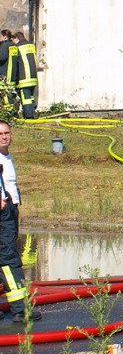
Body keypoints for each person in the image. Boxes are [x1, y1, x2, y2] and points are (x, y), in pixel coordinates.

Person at [0, 121, 39, 323]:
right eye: (0, 133)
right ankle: (20, 309)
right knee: (9, 260)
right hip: (3, 212)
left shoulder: (6, 156)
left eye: (7, 133)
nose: (4, 136)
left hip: (10, 210)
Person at [10, 33, 37, 120]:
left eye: (13, 40)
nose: (13, 42)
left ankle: (29, 116)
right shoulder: (31, 46)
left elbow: (16, 63)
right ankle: (33, 112)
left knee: (26, 98)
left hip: (24, 77)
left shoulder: (18, 47)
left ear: (17, 38)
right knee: (31, 96)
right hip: (33, 76)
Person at [0, 32, 16, 113]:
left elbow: (2, 58)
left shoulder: (5, 45)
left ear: (5, 37)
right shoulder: (14, 45)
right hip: (13, 72)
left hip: (5, 72)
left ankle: (7, 112)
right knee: (10, 93)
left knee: (5, 93)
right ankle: (12, 111)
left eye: (0, 36)